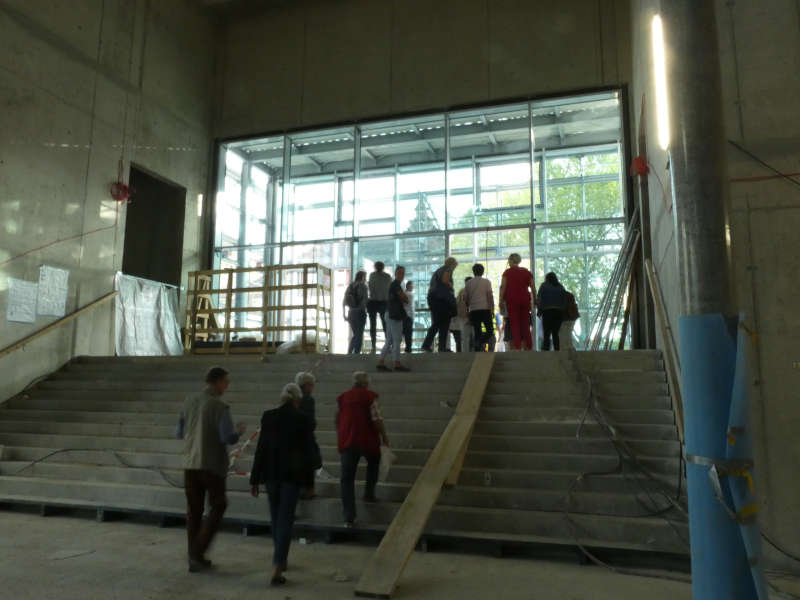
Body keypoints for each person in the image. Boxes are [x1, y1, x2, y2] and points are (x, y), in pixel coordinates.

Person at [176, 367, 246, 573]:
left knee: (194, 511)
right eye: (226, 381)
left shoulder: (189, 401)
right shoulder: (219, 406)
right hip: (211, 464)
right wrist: (238, 433)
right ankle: (198, 551)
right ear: (216, 382)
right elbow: (227, 438)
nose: (227, 385)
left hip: (190, 463)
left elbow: (178, 431)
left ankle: (194, 556)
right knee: (218, 504)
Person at [249, 383, 315, 587]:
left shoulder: (268, 416)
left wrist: (254, 478)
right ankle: (278, 566)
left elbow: (261, 448)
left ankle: (280, 558)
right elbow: (308, 453)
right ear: (297, 400)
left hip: (271, 475)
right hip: (291, 477)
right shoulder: (302, 419)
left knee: (276, 518)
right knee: (285, 519)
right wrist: (309, 483)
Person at [337, 372, 390, 527]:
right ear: (366, 383)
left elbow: (339, 418)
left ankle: (349, 517)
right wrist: (384, 437)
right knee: (373, 463)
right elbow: (376, 418)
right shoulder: (370, 396)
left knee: (346, 479)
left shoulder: (343, 397)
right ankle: (369, 493)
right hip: (367, 439)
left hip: (347, 440)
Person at [376, 266, 411, 372]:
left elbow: (404, 298)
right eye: (400, 273)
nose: (402, 275)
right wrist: (405, 298)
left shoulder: (394, 285)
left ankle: (381, 362)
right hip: (395, 315)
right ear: (395, 274)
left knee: (390, 340)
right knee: (397, 340)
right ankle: (397, 363)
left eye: (403, 273)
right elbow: (405, 298)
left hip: (389, 314)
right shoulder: (396, 285)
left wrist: (405, 298)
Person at [499, 253, 536, 351]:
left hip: (512, 300)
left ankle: (518, 347)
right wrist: (535, 300)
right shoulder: (527, 272)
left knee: (514, 324)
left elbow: (503, 287)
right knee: (525, 324)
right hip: (525, 299)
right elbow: (533, 287)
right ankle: (529, 347)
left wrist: (500, 300)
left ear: (511, 261)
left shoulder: (507, 272)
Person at [295, 371, 322, 499]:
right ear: (305, 385)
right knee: (309, 464)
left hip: (294, 438)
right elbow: (310, 421)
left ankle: (299, 489)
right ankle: (309, 490)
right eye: (311, 385)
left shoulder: (293, 398)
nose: (312, 388)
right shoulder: (308, 400)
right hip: (305, 438)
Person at [421, 257, 458, 352]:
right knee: (440, 323)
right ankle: (428, 345)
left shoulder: (438, 271)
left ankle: (440, 347)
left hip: (434, 299)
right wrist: (451, 287)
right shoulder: (447, 269)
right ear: (452, 264)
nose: (455, 268)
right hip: (441, 300)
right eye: (455, 266)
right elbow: (445, 281)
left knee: (441, 323)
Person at [464, 264, 494, 352]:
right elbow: (489, 296)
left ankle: (477, 348)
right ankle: (479, 342)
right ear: (483, 271)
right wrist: (491, 309)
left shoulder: (469, 283)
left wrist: (468, 308)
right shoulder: (486, 282)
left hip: (473, 310)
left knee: (477, 331)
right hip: (485, 309)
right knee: (490, 331)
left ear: (473, 272)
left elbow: (465, 298)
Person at [537, 272, 567, 351]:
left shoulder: (544, 286)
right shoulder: (560, 287)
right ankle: (557, 350)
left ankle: (546, 351)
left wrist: (539, 311)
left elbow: (539, 299)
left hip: (547, 312)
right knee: (555, 333)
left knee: (546, 333)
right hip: (558, 313)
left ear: (547, 278)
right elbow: (564, 300)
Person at [367, 262, 392, 353]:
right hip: (383, 302)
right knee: (385, 325)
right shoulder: (387, 277)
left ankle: (374, 346)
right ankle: (387, 346)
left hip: (374, 302)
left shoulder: (372, 275)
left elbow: (370, 287)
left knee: (374, 325)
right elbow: (389, 290)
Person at [344, 271, 368, 354]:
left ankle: (350, 352)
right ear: (362, 277)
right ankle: (356, 354)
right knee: (359, 335)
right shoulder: (363, 286)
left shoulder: (350, 286)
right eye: (365, 277)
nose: (366, 279)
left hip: (350, 313)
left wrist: (344, 315)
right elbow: (365, 301)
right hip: (360, 312)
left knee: (356, 334)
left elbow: (344, 301)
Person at [453, 277, 472, 352]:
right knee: (467, 336)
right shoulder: (464, 291)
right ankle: (467, 352)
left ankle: (465, 352)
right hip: (466, 316)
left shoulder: (462, 291)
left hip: (464, 316)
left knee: (465, 337)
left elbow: (457, 303)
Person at [402, 280, 415, 354]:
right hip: (408, 317)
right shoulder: (410, 294)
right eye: (412, 285)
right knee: (408, 334)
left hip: (404, 316)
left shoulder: (404, 293)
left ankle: (407, 348)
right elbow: (411, 307)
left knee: (404, 333)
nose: (413, 287)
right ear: (408, 286)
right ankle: (408, 349)